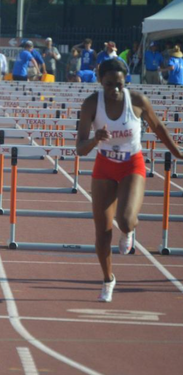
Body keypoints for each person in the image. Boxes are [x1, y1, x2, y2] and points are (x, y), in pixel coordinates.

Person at [76, 58, 183, 303]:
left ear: (126, 81)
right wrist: (96, 139)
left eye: (119, 84)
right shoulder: (92, 104)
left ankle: (129, 231)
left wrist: (177, 152)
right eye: (108, 84)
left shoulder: (137, 101)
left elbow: (158, 128)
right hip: (104, 166)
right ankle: (108, 279)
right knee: (102, 235)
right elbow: (80, 148)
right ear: (100, 81)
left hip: (131, 164)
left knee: (124, 220)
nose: (114, 90)